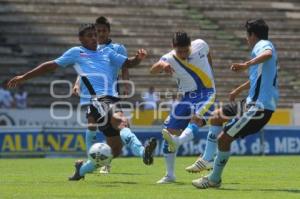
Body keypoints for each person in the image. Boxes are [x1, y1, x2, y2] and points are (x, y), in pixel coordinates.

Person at [7, 24, 157, 181]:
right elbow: (50, 66)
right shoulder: (76, 52)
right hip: (98, 98)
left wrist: (138, 58)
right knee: (121, 121)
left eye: (95, 35)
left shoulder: (107, 51)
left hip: (109, 97)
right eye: (90, 35)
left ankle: (82, 170)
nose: (94, 38)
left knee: (115, 149)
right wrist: (24, 77)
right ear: (81, 39)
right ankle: (143, 152)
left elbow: (128, 63)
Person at [192, 18, 279, 189]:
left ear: (252, 35)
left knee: (223, 139)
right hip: (248, 102)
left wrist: (246, 64)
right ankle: (207, 159)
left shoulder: (263, 45)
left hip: (258, 108)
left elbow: (267, 53)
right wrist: (239, 89)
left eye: (247, 35)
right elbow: (259, 77)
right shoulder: (261, 50)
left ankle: (214, 179)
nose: (246, 39)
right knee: (216, 117)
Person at [72, 16, 147, 175]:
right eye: (98, 31)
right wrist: (77, 84)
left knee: (114, 126)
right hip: (93, 93)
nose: (100, 34)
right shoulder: (90, 49)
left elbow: (125, 66)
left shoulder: (117, 48)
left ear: (109, 31)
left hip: (111, 91)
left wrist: (127, 83)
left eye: (103, 31)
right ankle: (93, 160)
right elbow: (84, 69)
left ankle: (101, 161)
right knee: (96, 125)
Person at [150, 31, 216, 184]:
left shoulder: (200, 44)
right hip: (186, 97)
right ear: (173, 47)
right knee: (168, 132)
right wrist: (162, 65)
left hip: (206, 92)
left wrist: (211, 73)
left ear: (190, 45)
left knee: (197, 119)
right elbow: (152, 70)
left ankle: (178, 142)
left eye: (186, 50)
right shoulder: (169, 58)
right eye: (180, 51)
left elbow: (208, 53)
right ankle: (170, 175)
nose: (184, 54)